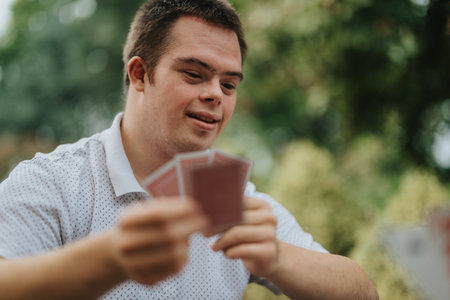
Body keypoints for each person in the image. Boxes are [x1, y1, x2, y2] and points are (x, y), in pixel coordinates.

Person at [0, 0, 378, 299]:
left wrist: (278, 257)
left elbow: (363, 293)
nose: (215, 93)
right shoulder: (50, 182)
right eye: (194, 74)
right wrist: (109, 259)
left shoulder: (235, 200)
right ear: (139, 74)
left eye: (229, 84)